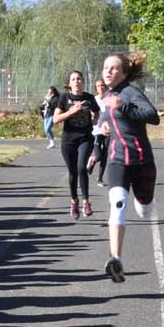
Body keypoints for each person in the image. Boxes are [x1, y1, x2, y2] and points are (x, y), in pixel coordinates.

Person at [96, 52, 160, 284]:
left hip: (141, 160)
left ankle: (144, 202)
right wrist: (102, 127)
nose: (107, 72)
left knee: (144, 210)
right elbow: (104, 119)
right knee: (118, 203)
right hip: (117, 159)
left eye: (113, 68)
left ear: (123, 73)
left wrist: (124, 107)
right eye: (105, 67)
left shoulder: (130, 93)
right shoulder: (107, 96)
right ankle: (116, 259)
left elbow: (153, 117)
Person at [51, 70, 100, 220]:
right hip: (68, 140)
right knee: (72, 172)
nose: (77, 81)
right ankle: (74, 202)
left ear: (83, 82)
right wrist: (71, 111)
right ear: (69, 83)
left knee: (81, 168)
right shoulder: (65, 98)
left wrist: (94, 121)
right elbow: (55, 119)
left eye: (79, 79)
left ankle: (86, 202)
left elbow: (97, 112)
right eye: (73, 79)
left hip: (85, 137)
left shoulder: (89, 98)